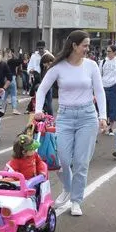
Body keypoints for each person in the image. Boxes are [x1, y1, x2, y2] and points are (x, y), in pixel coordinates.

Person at [34, 30, 107, 217]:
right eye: (85, 45)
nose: (87, 49)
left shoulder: (91, 66)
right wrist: (38, 110)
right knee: (63, 161)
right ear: (74, 46)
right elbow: (41, 90)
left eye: (88, 45)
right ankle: (67, 187)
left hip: (87, 116)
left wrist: (103, 116)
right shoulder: (58, 67)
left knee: (81, 163)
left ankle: (76, 200)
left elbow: (99, 92)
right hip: (65, 117)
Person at [100, 45, 116, 136]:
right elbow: (99, 74)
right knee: (104, 108)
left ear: (114, 52)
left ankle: (111, 128)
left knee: (113, 108)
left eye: (109, 51)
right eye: (107, 51)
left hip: (114, 87)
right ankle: (105, 125)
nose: (107, 53)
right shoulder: (103, 62)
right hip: (104, 87)